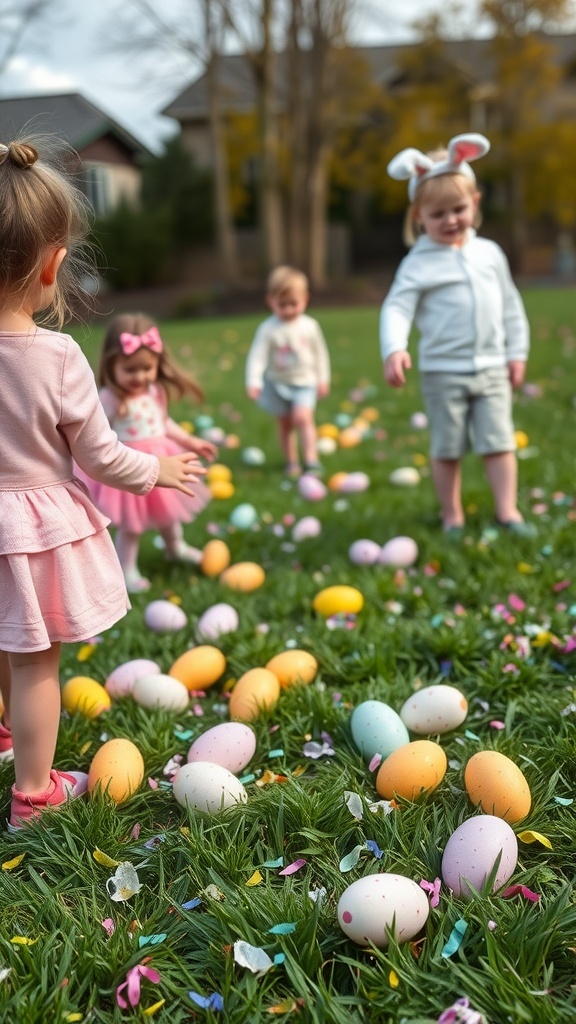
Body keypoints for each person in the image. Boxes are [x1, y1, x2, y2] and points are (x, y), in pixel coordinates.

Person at [0, 136, 205, 829]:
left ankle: (3, 737)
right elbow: (101, 456)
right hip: (31, 529)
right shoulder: (56, 358)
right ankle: (33, 792)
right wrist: (159, 470)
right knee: (34, 658)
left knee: (4, 636)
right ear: (53, 264)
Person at [379, 132, 535, 539]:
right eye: (438, 214)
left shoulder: (490, 255)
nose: (450, 220)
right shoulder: (418, 263)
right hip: (442, 373)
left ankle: (507, 511)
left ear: (475, 204)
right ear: (419, 217)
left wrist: (516, 353)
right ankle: (452, 515)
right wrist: (395, 348)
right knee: (447, 448)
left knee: (499, 442)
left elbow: (510, 306)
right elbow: (397, 307)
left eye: (458, 209)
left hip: (491, 368)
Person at [78, 312, 217, 593]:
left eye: (147, 368)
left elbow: (163, 422)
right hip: (130, 466)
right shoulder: (109, 398)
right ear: (111, 364)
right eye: (130, 370)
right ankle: (126, 569)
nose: (140, 376)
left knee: (168, 512)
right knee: (132, 525)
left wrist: (190, 441)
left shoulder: (155, 392)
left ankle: (175, 546)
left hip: (162, 462)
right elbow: (96, 435)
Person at [246, 265, 330, 477]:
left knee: (303, 418)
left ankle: (311, 460)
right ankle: (291, 462)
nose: (288, 310)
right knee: (285, 424)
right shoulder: (268, 329)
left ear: (305, 300)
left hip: (305, 382)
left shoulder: (310, 326)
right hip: (277, 383)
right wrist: (254, 381)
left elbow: (321, 354)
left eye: (294, 304)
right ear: (270, 301)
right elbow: (257, 356)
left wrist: (323, 379)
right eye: (282, 305)